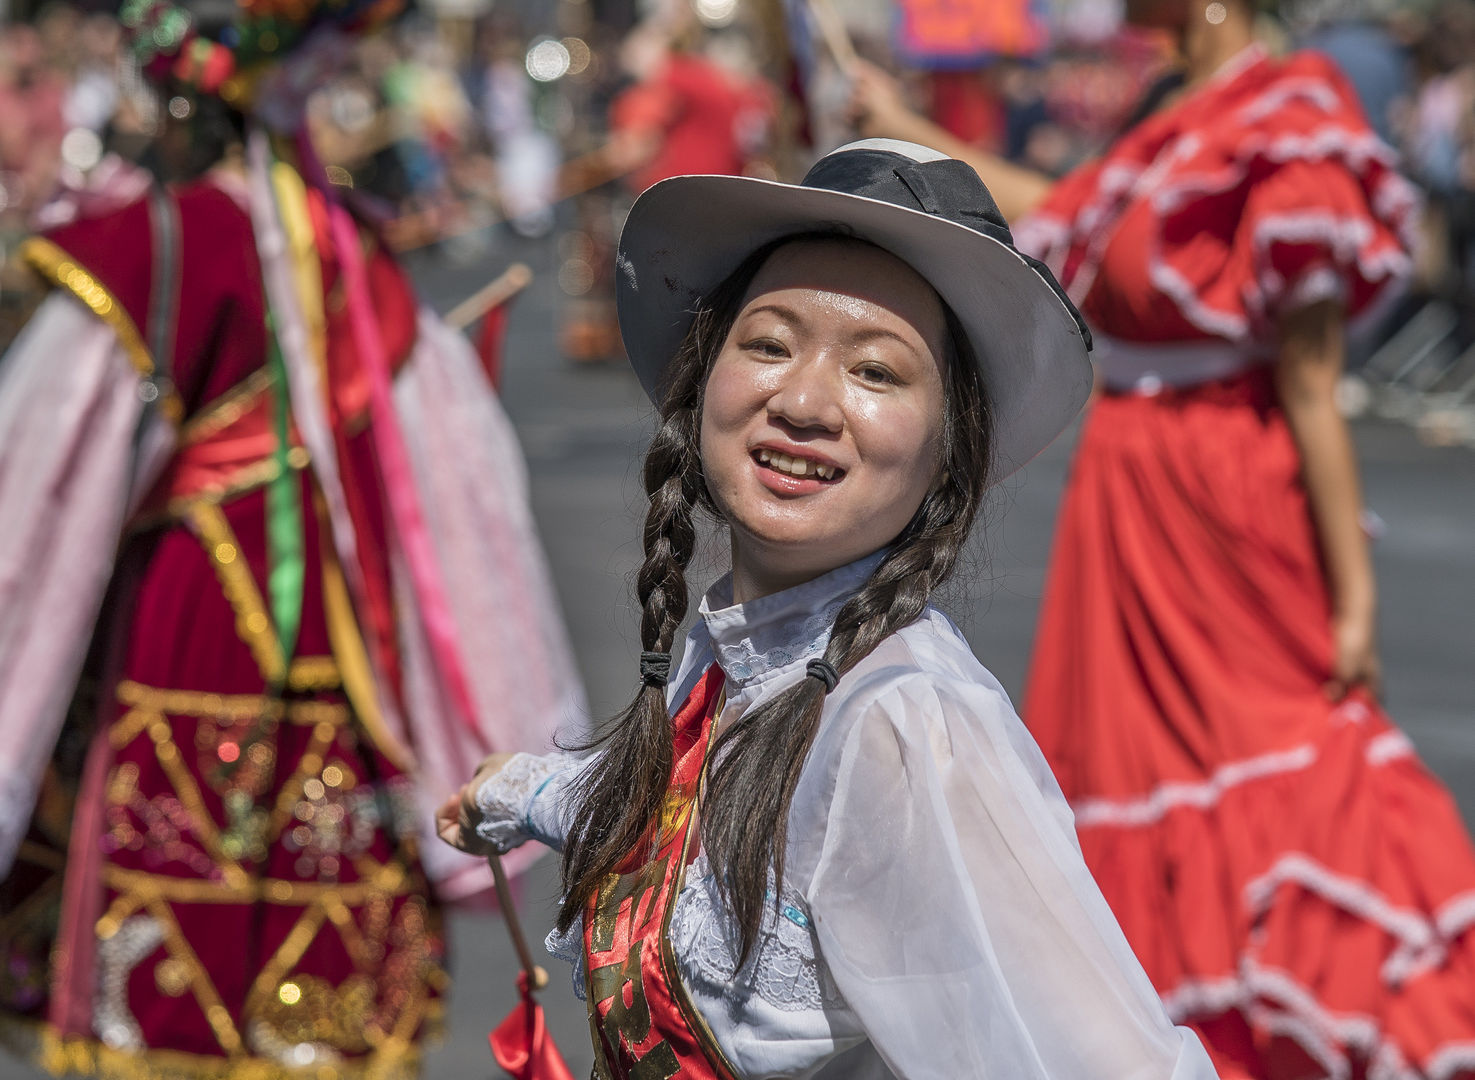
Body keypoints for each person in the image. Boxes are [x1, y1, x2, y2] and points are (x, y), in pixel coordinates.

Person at [0, 3, 583, 1078]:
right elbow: (456, 473)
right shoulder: (354, 252)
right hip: (339, 626)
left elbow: (31, 490)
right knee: (306, 915)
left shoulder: (165, 244)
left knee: (171, 924)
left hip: (191, 610)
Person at [436, 137, 1217, 1079]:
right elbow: (689, 825)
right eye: (768, 344)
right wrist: (519, 793)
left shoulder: (901, 727)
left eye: (876, 371)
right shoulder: (739, 659)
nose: (804, 401)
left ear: (947, 452)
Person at [852, 1, 1475, 1076]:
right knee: (1130, 767)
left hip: (1231, 500)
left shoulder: (1291, 109)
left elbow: (1314, 384)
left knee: (1285, 754)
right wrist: (905, 125)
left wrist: (1354, 595)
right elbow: (1055, 211)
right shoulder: (1178, 110)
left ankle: (1315, 1024)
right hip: (1133, 495)